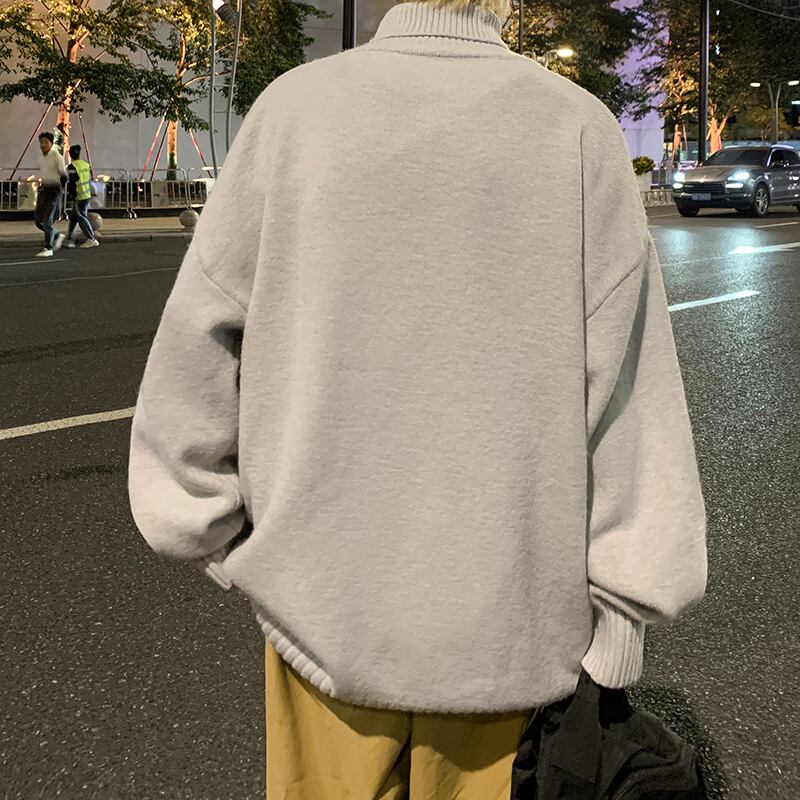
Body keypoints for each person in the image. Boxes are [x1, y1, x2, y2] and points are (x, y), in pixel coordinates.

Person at [128, 0, 708, 796]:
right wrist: (623, 614)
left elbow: (199, 340)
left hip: (321, 612)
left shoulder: (294, 113)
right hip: (512, 631)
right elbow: (630, 395)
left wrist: (206, 527)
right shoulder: (576, 129)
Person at [34, 132, 67, 258]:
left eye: (46, 142)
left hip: (54, 190)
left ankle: (48, 248)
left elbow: (63, 175)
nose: (43, 145)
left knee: (47, 220)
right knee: (38, 221)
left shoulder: (57, 157)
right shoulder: (41, 157)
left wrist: (61, 191)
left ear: (51, 143)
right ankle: (57, 235)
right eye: (41, 142)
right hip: (44, 189)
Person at [64, 144, 99, 249]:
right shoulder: (85, 164)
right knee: (74, 217)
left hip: (78, 196)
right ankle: (70, 239)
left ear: (70, 154)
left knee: (81, 217)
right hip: (86, 194)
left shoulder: (72, 166)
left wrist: (72, 197)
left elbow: (72, 183)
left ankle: (91, 238)